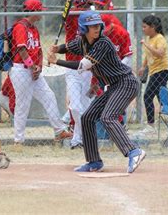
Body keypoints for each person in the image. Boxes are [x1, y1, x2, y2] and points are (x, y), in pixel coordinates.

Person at [48, 10, 146, 173]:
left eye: (98, 25)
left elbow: (82, 66)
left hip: (126, 83)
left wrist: (56, 61)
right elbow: (69, 47)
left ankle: (133, 151)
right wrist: (57, 48)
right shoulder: (83, 41)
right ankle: (94, 161)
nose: (96, 29)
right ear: (83, 29)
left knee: (108, 117)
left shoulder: (103, 43)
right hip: (113, 86)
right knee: (87, 117)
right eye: (91, 26)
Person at [9, 0, 72, 144]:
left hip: (33, 70)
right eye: (39, 11)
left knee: (49, 96)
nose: (41, 14)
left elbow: (38, 50)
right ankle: (18, 140)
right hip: (21, 70)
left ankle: (59, 131)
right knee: (23, 104)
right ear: (34, 11)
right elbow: (22, 49)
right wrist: (32, 66)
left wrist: (39, 67)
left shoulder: (34, 28)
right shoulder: (20, 27)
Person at [63, 0, 93, 149]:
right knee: (75, 106)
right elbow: (68, 13)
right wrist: (76, 11)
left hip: (88, 69)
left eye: (88, 6)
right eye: (84, 6)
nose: (86, 9)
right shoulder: (71, 19)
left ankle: (77, 139)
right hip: (72, 68)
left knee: (86, 104)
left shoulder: (93, 22)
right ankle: (79, 135)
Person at [138, 15, 168, 133]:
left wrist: (146, 45)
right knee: (162, 97)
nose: (143, 29)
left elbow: (160, 53)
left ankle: (151, 125)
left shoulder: (159, 38)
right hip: (154, 71)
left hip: (162, 71)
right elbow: (148, 55)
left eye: (145, 27)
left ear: (153, 27)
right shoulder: (150, 39)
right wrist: (143, 66)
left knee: (148, 96)